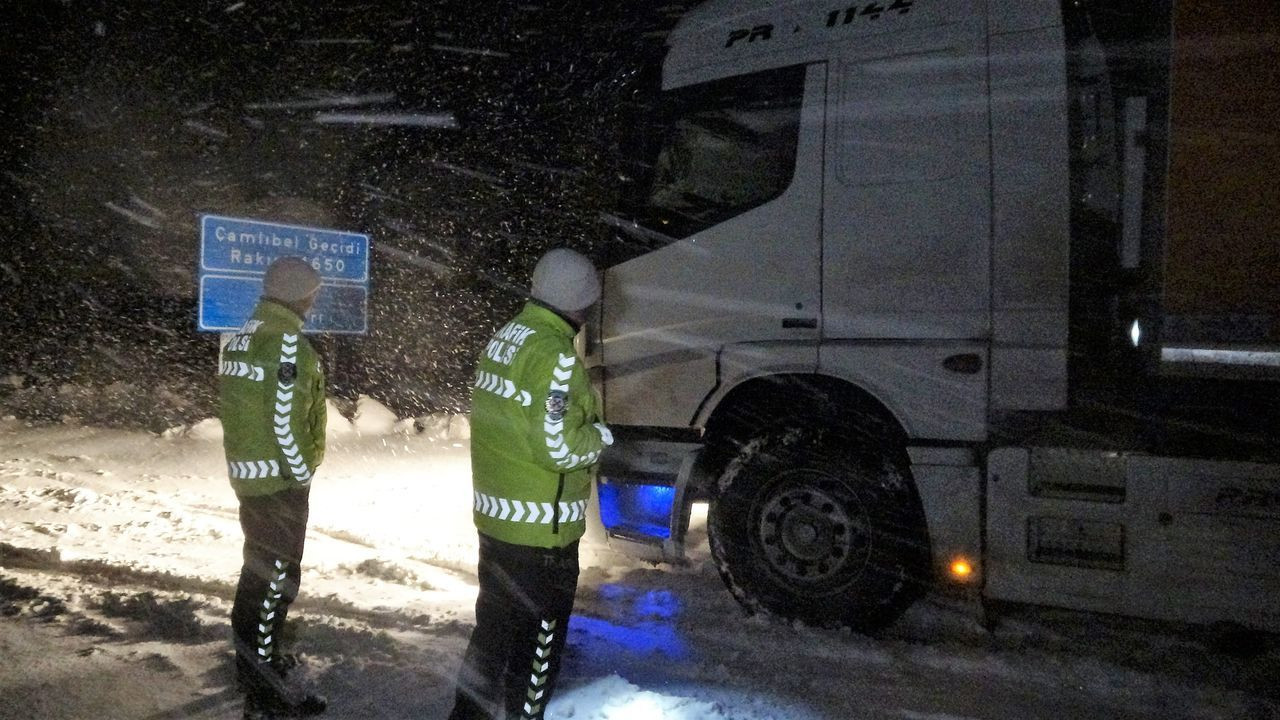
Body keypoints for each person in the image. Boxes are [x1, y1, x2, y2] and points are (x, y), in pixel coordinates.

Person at [449, 248, 613, 720]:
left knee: (492, 636)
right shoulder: (554, 357)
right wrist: (599, 435)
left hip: (499, 523)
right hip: (542, 535)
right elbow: (558, 448)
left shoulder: (506, 338)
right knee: (538, 648)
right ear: (583, 301)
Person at [220, 256, 329, 720]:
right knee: (274, 583)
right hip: (280, 482)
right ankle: (264, 698)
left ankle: (256, 667)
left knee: (257, 575)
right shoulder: (288, 347)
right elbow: (286, 425)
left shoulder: (242, 336)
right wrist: (303, 470)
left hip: (250, 474)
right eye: (313, 292)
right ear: (300, 294)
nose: (315, 299)